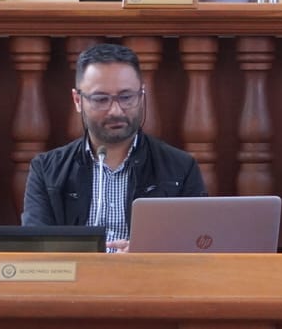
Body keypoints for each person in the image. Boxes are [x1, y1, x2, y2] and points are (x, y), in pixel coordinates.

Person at [23, 43, 206, 250]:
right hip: (76, 279)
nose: (115, 111)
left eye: (126, 97)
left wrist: (147, 255)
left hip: (149, 279)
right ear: (77, 100)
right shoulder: (46, 170)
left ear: (141, 95)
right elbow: (36, 249)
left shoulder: (181, 168)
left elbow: (197, 247)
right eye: (101, 99)